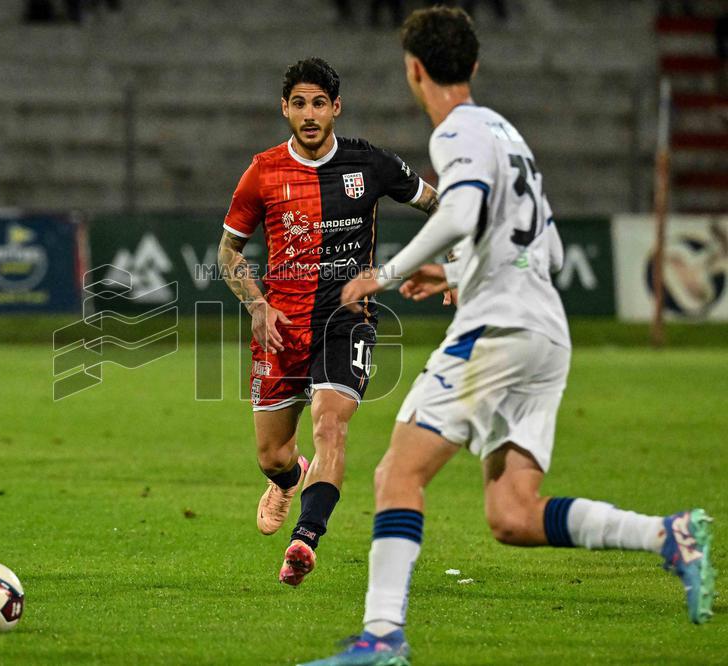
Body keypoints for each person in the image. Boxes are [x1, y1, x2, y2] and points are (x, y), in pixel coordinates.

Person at [302, 7, 716, 665]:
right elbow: (547, 252)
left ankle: (381, 637)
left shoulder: (456, 133)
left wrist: (387, 271)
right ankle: (669, 535)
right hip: (546, 333)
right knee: (513, 514)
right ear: (472, 65)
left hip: (499, 331)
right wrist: (458, 270)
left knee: (397, 472)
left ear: (414, 70)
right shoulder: (505, 132)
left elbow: (460, 209)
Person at [218, 57, 439, 586]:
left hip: (347, 317)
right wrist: (256, 304)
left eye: (320, 103)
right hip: (282, 324)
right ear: (285, 110)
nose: (310, 114)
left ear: (336, 107)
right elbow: (228, 252)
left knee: (329, 422)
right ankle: (288, 480)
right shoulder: (263, 172)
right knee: (273, 455)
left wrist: (455, 261)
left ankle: (305, 538)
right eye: (299, 103)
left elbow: (443, 206)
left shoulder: (371, 165)